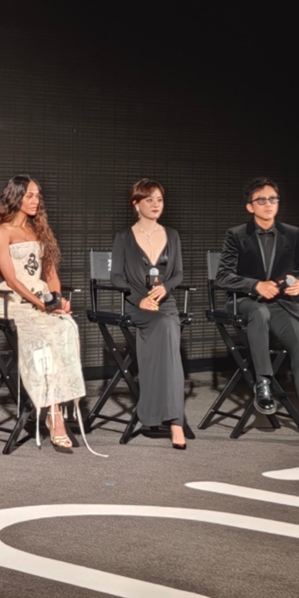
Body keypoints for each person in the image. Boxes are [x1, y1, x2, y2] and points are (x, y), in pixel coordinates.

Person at [0, 174, 101, 455]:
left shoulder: (39, 230)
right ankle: (54, 415)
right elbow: (12, 279)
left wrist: (57, 300)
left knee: (66, 328)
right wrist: (40, 303)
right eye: (30, 195)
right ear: (15, 197)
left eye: (38, 195)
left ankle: (55, 408)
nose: (36, 200)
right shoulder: (2, 231)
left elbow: (51, 275)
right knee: (43, 336)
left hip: (42, 297)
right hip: (13, 300)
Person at [216, 177, 299, 446]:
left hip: (280, 304)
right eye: (261, 200)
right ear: (250, 206)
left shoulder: (292, 233)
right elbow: (223, 277)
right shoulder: (236, 234)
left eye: (273, 199)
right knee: (260, 313)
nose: (268, 204)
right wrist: (255, 285)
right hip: (244, 302)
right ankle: (263, 381)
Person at [110, 179, 188, 450]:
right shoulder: (123, 237)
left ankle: (174, 421)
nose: (156, 205)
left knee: (167, 327)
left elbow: (178, 273)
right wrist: (139, 299)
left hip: (166, 305)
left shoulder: (172, 235)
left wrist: (166, 288)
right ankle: (172, 419)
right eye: (149, 200)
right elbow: (116, 277)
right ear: (136, 204)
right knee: (165, 331)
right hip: (137, 305)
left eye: (160, 200)